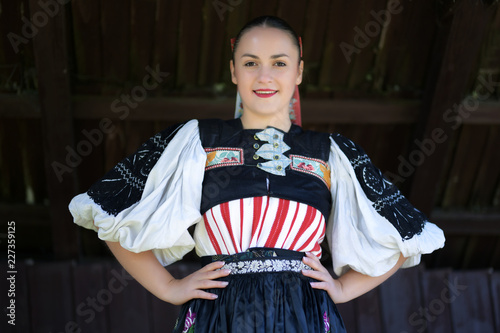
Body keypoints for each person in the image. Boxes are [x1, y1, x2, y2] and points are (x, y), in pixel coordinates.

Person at [69, 15, 445, 333]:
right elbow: (109, 212)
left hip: (306, 314)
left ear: (299, 71)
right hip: (219, 314)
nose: (264, 75)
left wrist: (344, 288)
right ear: (234, 71)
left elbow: (405, 233)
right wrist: (168, 287)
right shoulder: (197, 141)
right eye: (250, 63)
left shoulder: (332, 154)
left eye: (279, 63)